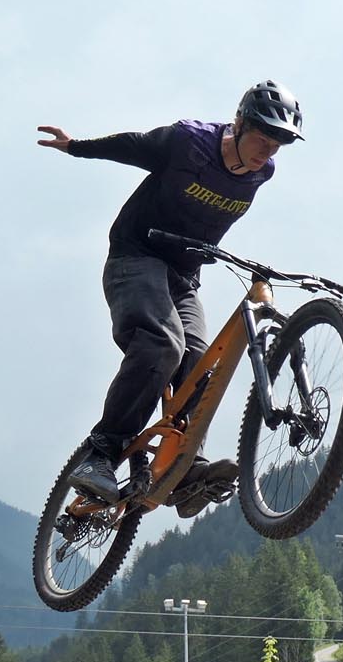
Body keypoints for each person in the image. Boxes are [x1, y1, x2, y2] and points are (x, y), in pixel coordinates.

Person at [37, 80, 306, 514]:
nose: (266, 152)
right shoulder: (189, 142)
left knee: (201, 362)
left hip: (183, 274)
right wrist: (74, 147)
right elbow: (132, 145)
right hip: (135, 256)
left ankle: (181, 470)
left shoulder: (262, 172)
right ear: (238, 123)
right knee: (163, 344)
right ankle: (101, 453)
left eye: (276, 146)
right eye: (261, 139)